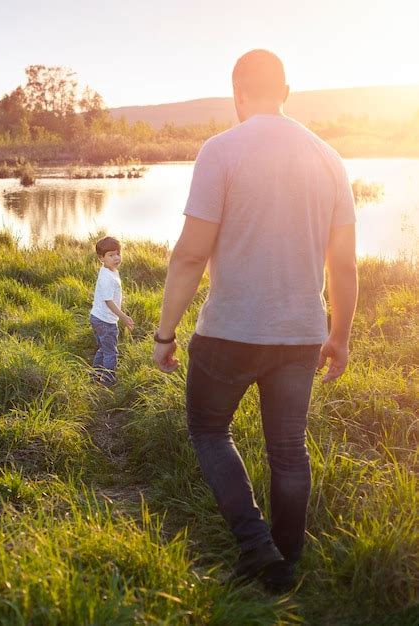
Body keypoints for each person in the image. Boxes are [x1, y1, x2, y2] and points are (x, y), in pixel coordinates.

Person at [153, 49, 358, 592]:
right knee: (288, 450)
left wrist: (165, 334)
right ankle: (283, 565)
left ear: (237, 93)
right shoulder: (329, 159)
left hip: (228, 332)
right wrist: (339, 336)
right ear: (286, 91)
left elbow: (190, 255)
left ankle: (254, 545)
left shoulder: (220, 151)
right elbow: (343, 263)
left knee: (208, 429)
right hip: (301, 335)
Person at [90, 236, 134, 386]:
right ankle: (108, 382)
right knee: (110, 352)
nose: (116, 258)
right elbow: (108, 302)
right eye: (111, 255)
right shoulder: (107, 277)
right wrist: (124, 317)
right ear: (101, 258)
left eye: (117, 253)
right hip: (105, 321)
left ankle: (95, 375)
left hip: (97, 317)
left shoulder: (109, 271)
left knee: (103, 348)